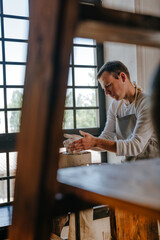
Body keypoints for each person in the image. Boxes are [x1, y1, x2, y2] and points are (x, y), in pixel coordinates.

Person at [68, 60, 160, 161]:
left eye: (108, 86)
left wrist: (95, 142)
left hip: (152, 169)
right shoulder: (115, 106)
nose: (107, 93)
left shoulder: (146, 103)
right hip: (130, 168)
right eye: (104, 89)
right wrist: (81, 142)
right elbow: (106, 137)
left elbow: (136, 145)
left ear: (122, 77)